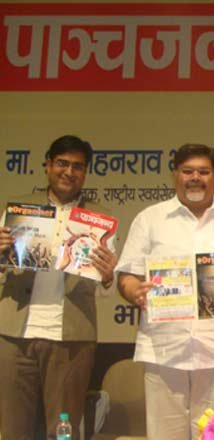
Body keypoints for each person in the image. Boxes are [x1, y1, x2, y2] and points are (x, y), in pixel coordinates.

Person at [116, 144, 214, 440]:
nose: (195, 178)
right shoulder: (149, 219)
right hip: (163, 347)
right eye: (188, 171)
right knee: (163, 435)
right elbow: (126, 276)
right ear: (175, 174)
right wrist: (135, 292)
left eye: (203, 172)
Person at [0, 135, 116, 439]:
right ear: (48, 165)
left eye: (78, 166)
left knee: (63, 432)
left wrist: (107, 276)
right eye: (62, 163)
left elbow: (104, 289)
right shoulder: (20, 210)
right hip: (14, 335)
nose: (69, 172)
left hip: (72, 339)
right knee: (12, 430)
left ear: (85, 172)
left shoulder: (99, 220)